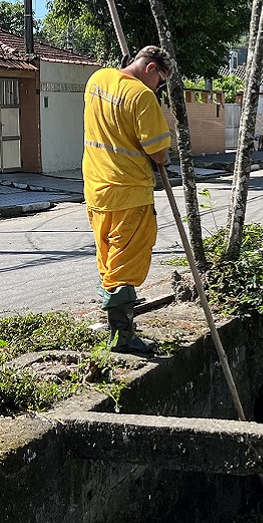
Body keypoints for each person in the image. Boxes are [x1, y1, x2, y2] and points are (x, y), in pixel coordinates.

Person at [83, 46, 174, 354]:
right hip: (129, 194)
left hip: (97, 192)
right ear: (150, 69)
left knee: (109, 260)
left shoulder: (96, 80)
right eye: (160, 80)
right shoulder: (142, 97)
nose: (158, 87)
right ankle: (122, 337)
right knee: (125, 264)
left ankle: (113, 326)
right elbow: (158, 152)